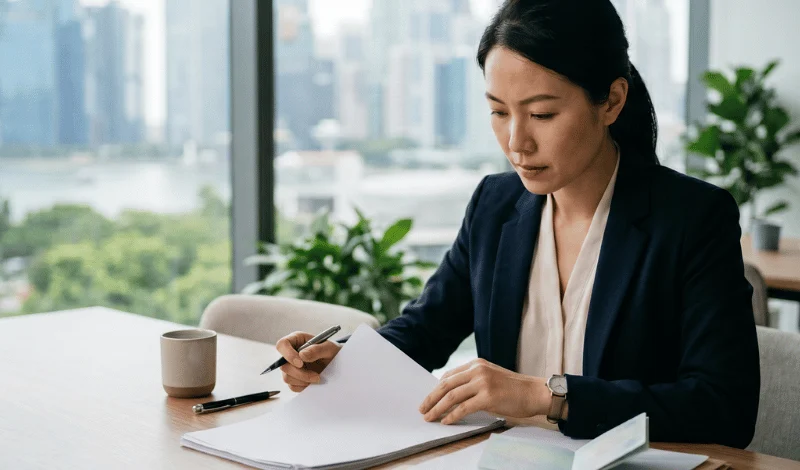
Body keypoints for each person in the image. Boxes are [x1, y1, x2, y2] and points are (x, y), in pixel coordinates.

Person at [275, 0, 760, 448]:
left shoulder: (693, 219)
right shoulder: (495, 204)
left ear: (611, 101)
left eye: (542, 114)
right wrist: (342, 361)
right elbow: (423, 330)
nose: (516, 142)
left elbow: (723, 409)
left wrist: (547, 396)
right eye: (498, 111)